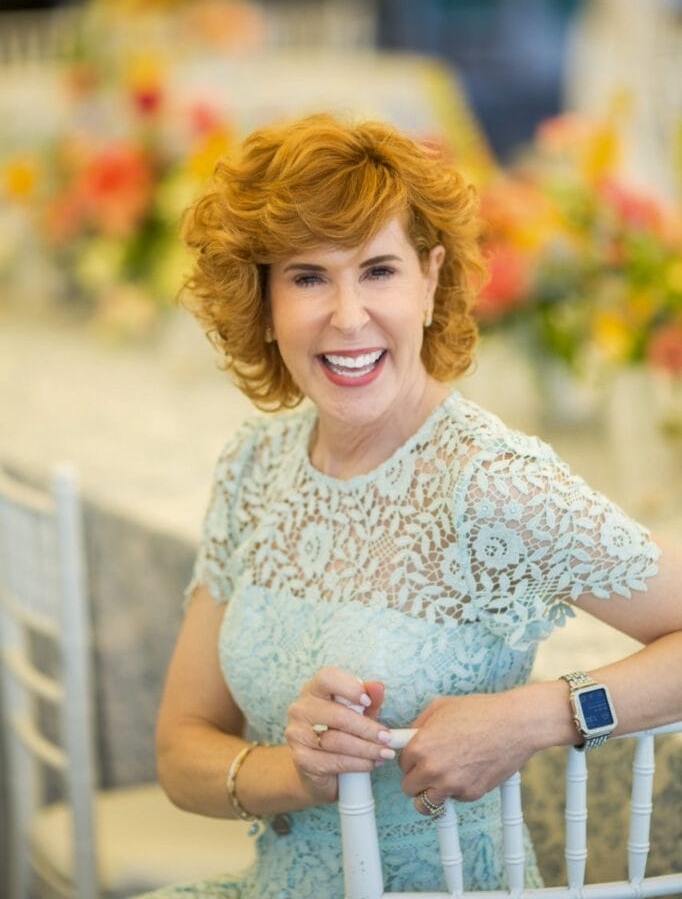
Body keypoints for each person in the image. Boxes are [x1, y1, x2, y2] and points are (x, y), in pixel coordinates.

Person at [138, 113, 682, 898]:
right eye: (308, 276)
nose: (348, 316)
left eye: (378, 271)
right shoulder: (254, 465)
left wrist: (531, 718)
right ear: (261, 300)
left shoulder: (492, 481)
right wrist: (297, 772)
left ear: (430, 279)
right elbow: (178, 753)